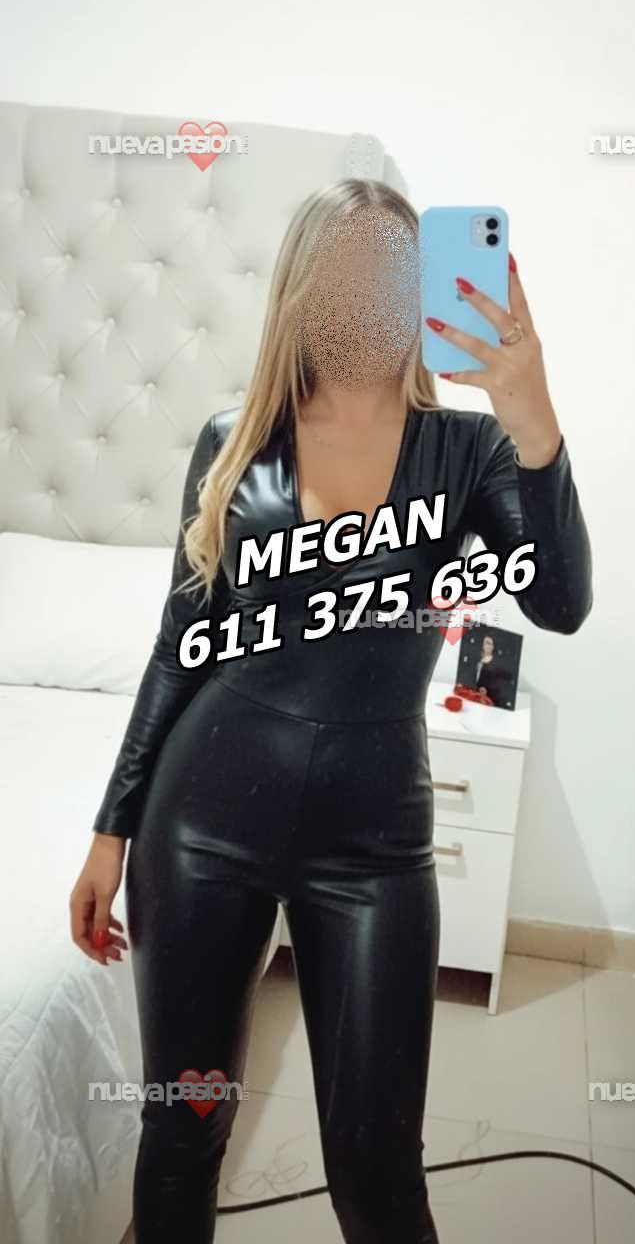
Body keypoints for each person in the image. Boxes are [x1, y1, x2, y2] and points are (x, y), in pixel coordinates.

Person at [68, 177, 594, 1243]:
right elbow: (180, 646)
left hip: (374, 846)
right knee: (183, 1134)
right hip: (200, 828)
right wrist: (110, 831)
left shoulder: (472, 451)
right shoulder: (233, 440)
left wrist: (535, 420)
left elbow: (560, 602)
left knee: (378, 1170)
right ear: (304, 290)